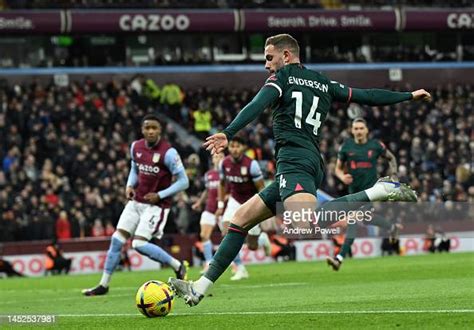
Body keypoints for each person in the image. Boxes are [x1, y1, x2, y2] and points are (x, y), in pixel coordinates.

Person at [169, 33, 431, 306]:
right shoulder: (323, 82)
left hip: (294, 160)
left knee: (303, 224)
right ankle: (199, 287)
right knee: (240, 220)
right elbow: (367, 96)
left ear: (286, 55)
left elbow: (257, 104)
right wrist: (408, 96)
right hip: (306, 161)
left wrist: (228, 132)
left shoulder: (280, 79)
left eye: (269, 58)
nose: (266, 65)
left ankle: (380, 190)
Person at [82, 114, 190, 296]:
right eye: (147, 128)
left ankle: (177, 266)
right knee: (116, 240)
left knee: (138, 244)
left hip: (157, 206)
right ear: (142, 129)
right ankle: (103, 285)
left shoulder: (169, 153)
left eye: (154, 128)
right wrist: (129, 185)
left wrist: (160, 195)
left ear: (160, 130)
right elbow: (134, 168)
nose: (150, 131)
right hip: (136, 202)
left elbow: (184, 181)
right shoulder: (136, 147)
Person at [326, 118, 402, 270]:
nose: (359, 131)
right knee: (364, 220)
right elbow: (337, 169)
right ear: (352, 131)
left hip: (369, 192)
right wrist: (342, 177)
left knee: (353, 221)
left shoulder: (375, 145)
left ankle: (339, 259)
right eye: (356, 129)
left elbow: (391, 157)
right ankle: (392, 228)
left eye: (361, 128)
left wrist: (393, 175)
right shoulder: (346, 147)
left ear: (366, 130)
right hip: (353, 192)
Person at [215, 137, 271, 280]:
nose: (234, 149)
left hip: (251, 202)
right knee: (226, 231)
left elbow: (261, 188)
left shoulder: (252, 165)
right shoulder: (224, 163)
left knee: (252, 246)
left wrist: (262, 209)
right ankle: (240, 268)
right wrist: (221, 205)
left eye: (237, 146)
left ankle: (262, 240)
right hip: (234, 200)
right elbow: (222, 184)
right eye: (232, 146)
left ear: (243, 148)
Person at [192, 152, 224, 273]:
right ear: (213, 160)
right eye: (216, 157)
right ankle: (208, 262)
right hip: (209, 209)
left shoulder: (227, 174)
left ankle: (238, 264)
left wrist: (222, 204)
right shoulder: (208, 175)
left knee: (228, 237)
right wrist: (199, 203)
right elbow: (207, 191)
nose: (218, 159)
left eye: (220, 156)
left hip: (223, 210)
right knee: (204, 235)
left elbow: (230, 192)